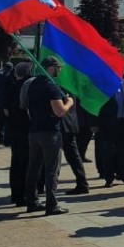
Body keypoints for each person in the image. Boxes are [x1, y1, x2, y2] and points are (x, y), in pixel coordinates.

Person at [24, 57, 75, 216]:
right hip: (50, 132)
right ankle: (51, 205)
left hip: (34, 131)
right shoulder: (51, 85)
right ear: (51, 68)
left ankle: (31, 201)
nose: (59, 70)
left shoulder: (32, 84)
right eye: (57, 67)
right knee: (52, 169)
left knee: (33, 168)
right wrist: (70, 103)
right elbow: (59, 111)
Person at [95, 78, 124, 188]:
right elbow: (97, 103)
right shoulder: (103, 83)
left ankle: (123, 174)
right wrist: (94, 122)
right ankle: (109, 177)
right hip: (108, 122)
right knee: (108, 151)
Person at [5, 63, 33, 206]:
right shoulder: (29, 86)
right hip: (26, 128)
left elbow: (4, 108)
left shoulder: (11, 85)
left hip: (13, 127)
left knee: (16, 162)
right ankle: (25, 195)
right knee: (27, 163)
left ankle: (16, 195)